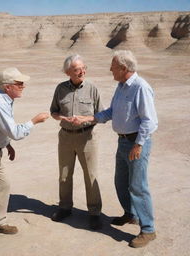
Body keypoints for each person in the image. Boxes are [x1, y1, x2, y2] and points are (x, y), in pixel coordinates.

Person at [72, 50, 158, 248]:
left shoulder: (140, 87)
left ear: (123, 68)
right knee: (120, 181)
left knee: (138, 186)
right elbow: (112, 112)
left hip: (136, 142)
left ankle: (148, 230)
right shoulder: (121, 86)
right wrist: (88, 118)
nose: (110, 69)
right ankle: (131, 214)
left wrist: (138, 144)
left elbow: (149, 121)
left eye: (113, 66)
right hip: (123, 142)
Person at [0, 67, 49, 252]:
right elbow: (15, 132)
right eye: (19, 83)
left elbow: (1, 129)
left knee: (4, 185)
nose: (23, 86)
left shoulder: (5, 98)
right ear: (7, 87)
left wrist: (6, 144)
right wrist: (34, 121)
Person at [50, 54, 103, 230]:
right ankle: (65, 208)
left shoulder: (92, 89)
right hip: (65, 136)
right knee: (64, 175)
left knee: (90, 175)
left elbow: (101, 116)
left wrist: (85, 119)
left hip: (86, 137)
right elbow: (54, 112)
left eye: (83, 67)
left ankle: (94, 213)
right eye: (77, 69)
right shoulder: (60, 89)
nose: (82, 71)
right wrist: (63, 117)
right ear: (68, 72)